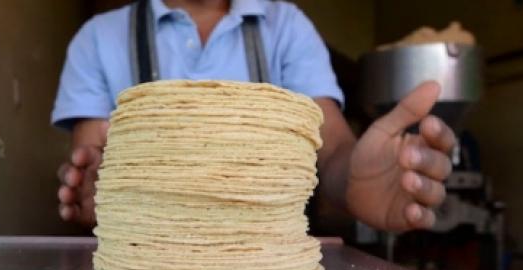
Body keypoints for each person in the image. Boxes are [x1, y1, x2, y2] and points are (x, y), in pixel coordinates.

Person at [52, 0, 455, 233]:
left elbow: (330, 150)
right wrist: (96, 190)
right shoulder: (98, 38)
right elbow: (96, 170)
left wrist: (353, 180)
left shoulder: (287, 27)